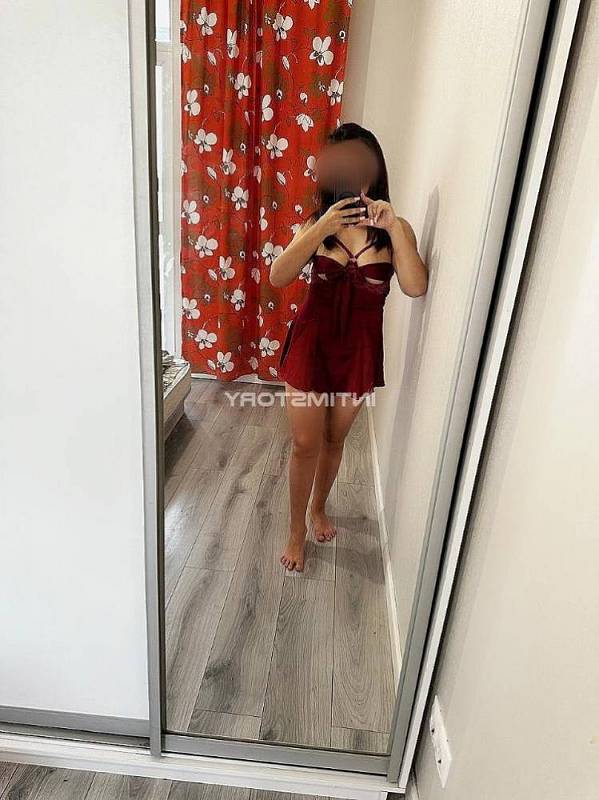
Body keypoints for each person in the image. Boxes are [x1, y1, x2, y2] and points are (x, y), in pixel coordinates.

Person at [270, 123, 428, 572]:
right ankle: (296, 530)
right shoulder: (316, 226)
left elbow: (415, 286)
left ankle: (319, 508)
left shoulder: (395, 229)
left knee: (334, 440)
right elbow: (279, 276)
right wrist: (321, 226)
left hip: (357, 353)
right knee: (304, 444)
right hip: (312, 346)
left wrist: (393, 227)